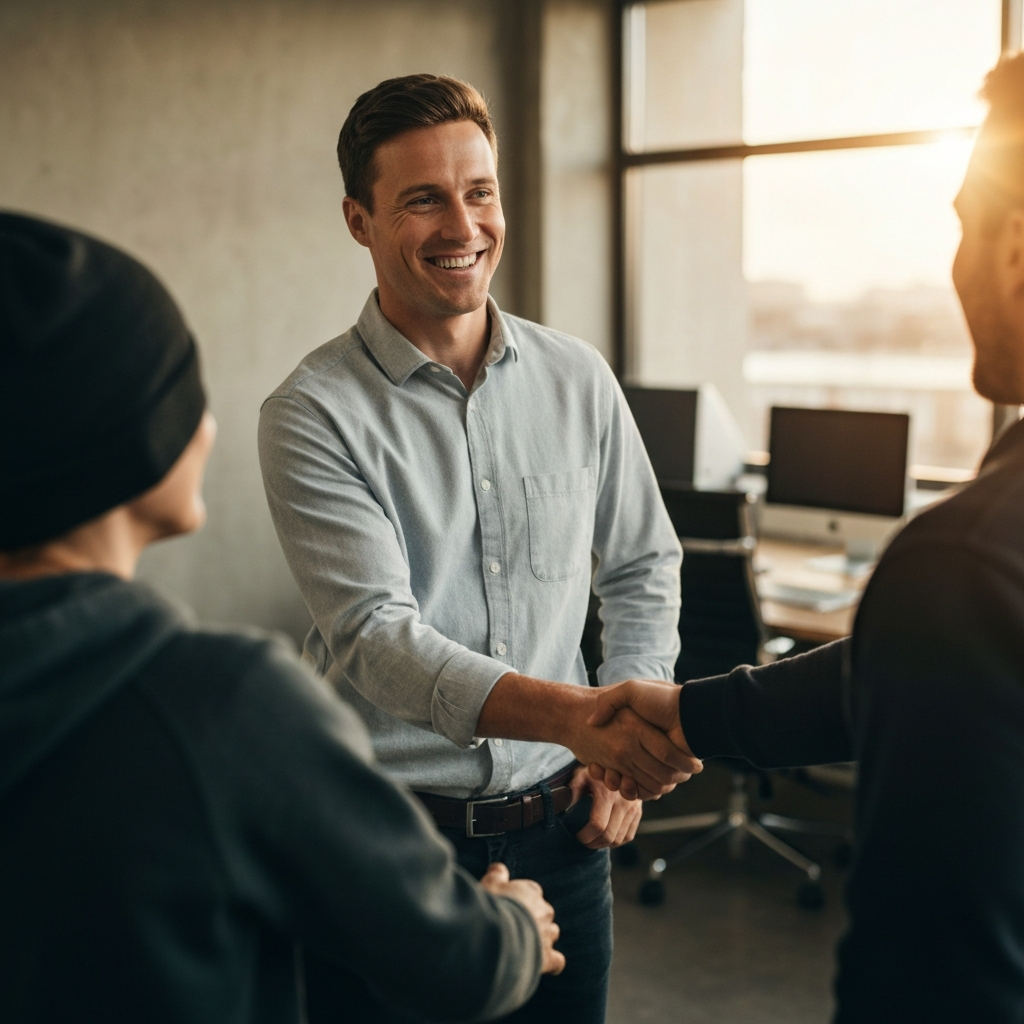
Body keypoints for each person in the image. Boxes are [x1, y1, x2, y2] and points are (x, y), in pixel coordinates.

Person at [0, 211, 565, 1024]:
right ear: (126, 437)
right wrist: (514, 923)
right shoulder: (218, 707)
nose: (209, 421)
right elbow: (458, 962)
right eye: (180, 386)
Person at [586, 53, 1024, 1024]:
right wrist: (693, 712)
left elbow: (933, 977)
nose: (950, 260)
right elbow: (903, 668)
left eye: (962, 223)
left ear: (1015, 248)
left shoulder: (961, 564)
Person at [258, 74, 701, 1023]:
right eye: (422, 198)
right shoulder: (312, 415)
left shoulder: (577, 377)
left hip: (566, 831)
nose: (463, 223)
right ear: (359, 219)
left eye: (480, 191)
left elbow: (640, 565)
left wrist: (617, 752)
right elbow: (378, 637)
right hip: (388, 844)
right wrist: (585, 716)